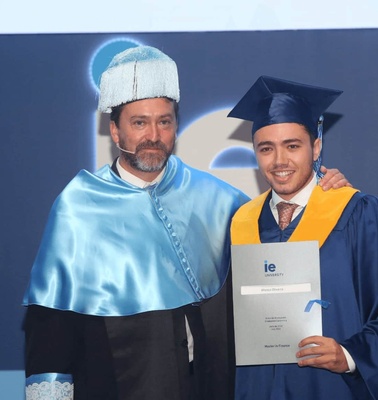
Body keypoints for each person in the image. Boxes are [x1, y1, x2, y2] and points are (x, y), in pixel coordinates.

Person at [22, 48, 349, 400]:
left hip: (212, 386)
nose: (154, 135)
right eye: (139, 122)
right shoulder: (79, 206)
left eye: (164, 121)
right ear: (115, 132)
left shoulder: (217, 198)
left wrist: (321, 192)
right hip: (119, 385)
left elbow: (282, 258)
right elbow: (51, 328)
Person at [228, 75, 378, 399]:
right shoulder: (242, 221)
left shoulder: (356, 213)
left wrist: (351, 356)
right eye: (266, 148)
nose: (279, 161)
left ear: (316, 147)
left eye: (292, 146)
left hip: (331, 389)